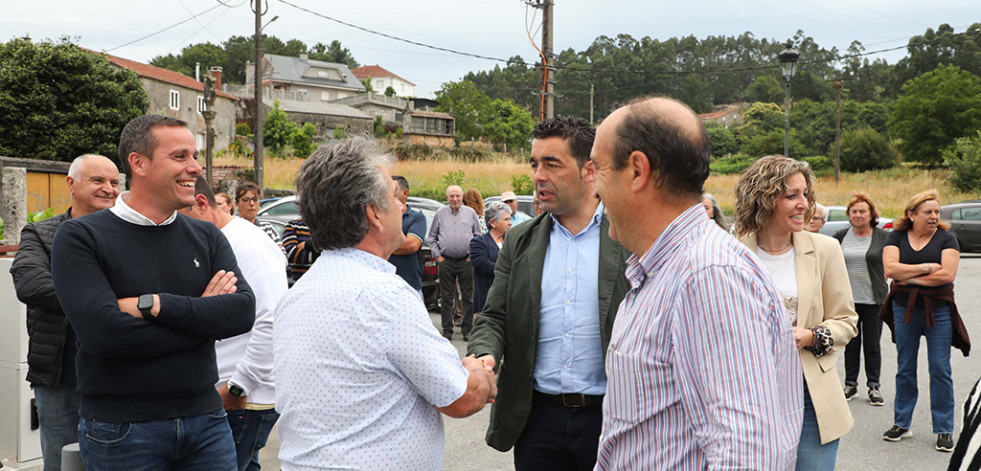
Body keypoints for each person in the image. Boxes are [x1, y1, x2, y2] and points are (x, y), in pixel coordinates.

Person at [590, 97, 803, 469]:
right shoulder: (667, 270)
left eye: (598, 168)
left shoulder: (708, 276)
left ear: (638, 171)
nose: (593, 189)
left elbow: (747, 454)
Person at [274, 138, 496, 471]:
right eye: (395, 196)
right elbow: (461, 398)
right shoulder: (385, 296)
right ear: (373, 214)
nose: (403, 206)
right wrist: (482, 376)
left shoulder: (296, 295)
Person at [50, 114, 255, 470]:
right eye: (180, 156)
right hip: (122, 429)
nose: (195, 168)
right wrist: (202, 320)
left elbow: (241, 312)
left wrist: (155, 305)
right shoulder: (80, 237)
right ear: (138, 163)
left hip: (207, 421)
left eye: (194, 155)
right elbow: (104, 335)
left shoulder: (206, 236)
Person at [468, 116, 630, 470]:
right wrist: (484, 355)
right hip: (538, 418)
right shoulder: (520, 240)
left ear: (589, 170)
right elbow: (495, 315)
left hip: (612, 415)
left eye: (551, 164)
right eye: (535, 164)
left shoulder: (629, 238)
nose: (538, 175)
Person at [735, 155, 858, 471]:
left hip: (810, 398)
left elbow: (846, 321)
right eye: (791, 195)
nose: (804, 204)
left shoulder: (825, 250)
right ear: (763, 200)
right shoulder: (731, 251)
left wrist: (810, 335)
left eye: (805, 194)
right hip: (748, 394)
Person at [9, 154, 120, 471]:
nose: (108, 189)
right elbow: (31, 285)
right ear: (71, 184)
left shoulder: (129, 236)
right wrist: (106, 301)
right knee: (63, 464)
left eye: (114, 182)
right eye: (97, 180)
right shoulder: (41, 234)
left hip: (120, 375)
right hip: (60, 379)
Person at [180, 176, 288, 471]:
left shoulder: (248, 243)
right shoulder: (222, 241)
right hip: (227, 392)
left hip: (243, 398)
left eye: (181, 217)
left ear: (202, 204)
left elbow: (273, 319)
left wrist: (238, 387)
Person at [879, 189, 965, 453]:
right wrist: (928, 267)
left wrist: (912, 278)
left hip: (938, 309)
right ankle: (902, 423)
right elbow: (890, 270)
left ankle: (944, 429)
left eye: (937, 212)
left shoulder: (946, 238)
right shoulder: (896, 236)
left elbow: (947, 275)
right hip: (904, 309)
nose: (934, 216)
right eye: (928, 212)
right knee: (905, 366)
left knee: (940, 368)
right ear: (911, 214)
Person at [833, 192, 889, 406]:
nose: (858, 215)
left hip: (874, 299)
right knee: (851, 344)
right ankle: (850, 385)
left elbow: (894, 259)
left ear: (871, 214)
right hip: (848, 300)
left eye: (862, 211)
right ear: (849, 215)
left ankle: (874, 386)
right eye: (854, 211)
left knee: (872, 345)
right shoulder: (840, 236)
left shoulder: (883, 237)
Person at [426, 185, 482, 340]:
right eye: (452, 196)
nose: (455, 199)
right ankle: (447, 330)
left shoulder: (470, 213)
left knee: (468, 297)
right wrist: (438, 256)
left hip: (466, 261)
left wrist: (472, 256)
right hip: (446, 261)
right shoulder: (440, 214)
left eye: (457, 196)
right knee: (446, 298)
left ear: (462, 196)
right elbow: (432, 237)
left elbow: (478, 236)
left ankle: (467, 330)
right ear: (447, 197)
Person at [388, 175, 428, 300]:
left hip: (409, 285)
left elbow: (411, 245)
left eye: (392, 190)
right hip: (383, 283)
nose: (387, 193)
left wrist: (380, 246)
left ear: (405, 193)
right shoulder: (378, 216)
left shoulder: (417, 218)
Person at [469, 202, 511, 317]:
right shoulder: (479, 242)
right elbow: (483, 265)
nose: (510, 223)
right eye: (506, 220)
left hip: (509, 302)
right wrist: (510, 270)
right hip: (487, 301)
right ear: (492, 222)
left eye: (510, 219)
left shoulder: (512, 242)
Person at [235, 182, 280, 246]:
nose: (251, 203)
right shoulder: (232, 230)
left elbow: (280, 253)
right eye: (246, 200)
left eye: (255, 200)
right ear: (236, 204)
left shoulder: (268, 229)